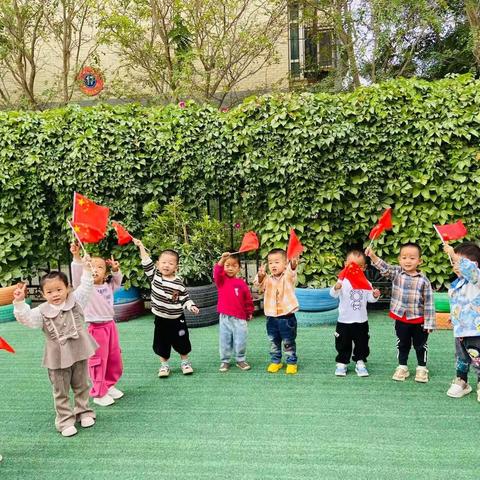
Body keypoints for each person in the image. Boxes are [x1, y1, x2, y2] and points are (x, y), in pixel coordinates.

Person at [13, 257, 97, 437]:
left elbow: (86, 287)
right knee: (61, 389)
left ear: (67, 288)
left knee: (82, 384)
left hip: (79, 350)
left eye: (59, 289)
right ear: (43, 294)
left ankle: (83, 411)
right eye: (50, 291)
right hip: (57, 356)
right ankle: (65, 420)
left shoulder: (76, 301)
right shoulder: (41, 311)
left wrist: (87, 269)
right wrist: (20, 303)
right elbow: (26, 319)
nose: (55, 294)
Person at [366, 243, 435, 383]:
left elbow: (429, 303)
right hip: (401, 319)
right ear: (399, 260)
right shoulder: (397, 273)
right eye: (404, 257)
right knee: (402, 343)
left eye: (412, 258)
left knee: (420, 345)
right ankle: (402, 366)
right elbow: (384, 268)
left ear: (419, 261)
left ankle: (422, 368)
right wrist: (372, 255)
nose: (408, 261)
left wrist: (429, 323)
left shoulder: (424, 281)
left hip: (419, 320)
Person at [133, 238, 199, 377]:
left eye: (170, 263)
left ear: (176, 267)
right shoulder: (155, 276)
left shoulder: (178, 283)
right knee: (161, 342)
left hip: (177, 319)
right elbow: (146, 261)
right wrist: (141, 247)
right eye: (163, 262)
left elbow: (185, 298)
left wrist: (191, 306)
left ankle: (185, 362)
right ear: (157, 264)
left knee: (182, 341)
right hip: (160, 319)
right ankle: (164, 366)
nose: (166, 265)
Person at [70, 243, 124, 407]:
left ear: (105, 273)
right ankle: (99, 393)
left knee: (114, 358)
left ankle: (108, 384)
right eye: (91, 266)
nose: (95, 269)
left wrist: (115, 269)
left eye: (99, 267)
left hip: (110, 326)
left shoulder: (108, 286)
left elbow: (117, 279)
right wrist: (77, 256)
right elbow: (78, 272)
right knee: (98, 360)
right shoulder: (86, 288)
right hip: (96, 328)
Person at [330, 249, 380, 377]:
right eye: (350, 265)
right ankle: (342, 362)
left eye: (358, 266)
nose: (353, 268)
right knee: (342, 342)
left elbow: (371, 299)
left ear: (364, 268)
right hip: (344, 321)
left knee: (362, 342)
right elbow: (333, 295)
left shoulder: (366, 283)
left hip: (361, 320)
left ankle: (360, 361)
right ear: (345, 264)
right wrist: (336, 288)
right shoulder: (342, 282)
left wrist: (375, 295)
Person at [443, 242, 480, 401]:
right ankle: (462, 380)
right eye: (454, 263)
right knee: (461, 357)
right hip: (460, 330)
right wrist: (454, 316)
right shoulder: (456, 284)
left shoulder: (476, 281)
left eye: (459, 262)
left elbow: (472, 272)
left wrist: (453, 253)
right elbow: (459, 303)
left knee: (477, 357)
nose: (456, 266)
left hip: (476, 330)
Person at [254, 249, 300, 374]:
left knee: (288, 341)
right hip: (271, 318)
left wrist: (293, 263)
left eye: (277, 262)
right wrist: (261, 276)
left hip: (287, 318)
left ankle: (291, 362)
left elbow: (292, 270)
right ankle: (276, 361)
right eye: (270, 263)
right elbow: (257, 285)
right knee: (273, 341)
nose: (273, 265)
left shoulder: (288, 277)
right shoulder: (267, 279)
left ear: (285, 264)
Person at [214, 252, 254, 372]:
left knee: (240, 340)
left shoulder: (241, 283)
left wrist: (249, 312)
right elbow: (217, 272)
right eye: (227, 265)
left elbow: (247, 299)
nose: (230, 268)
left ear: (239, 268)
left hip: (240, 318)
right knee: (225, 340)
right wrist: (222, 260)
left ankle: (240, 359)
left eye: (234, 265)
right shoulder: (221, 281)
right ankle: (225, 361)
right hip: (225, 318)